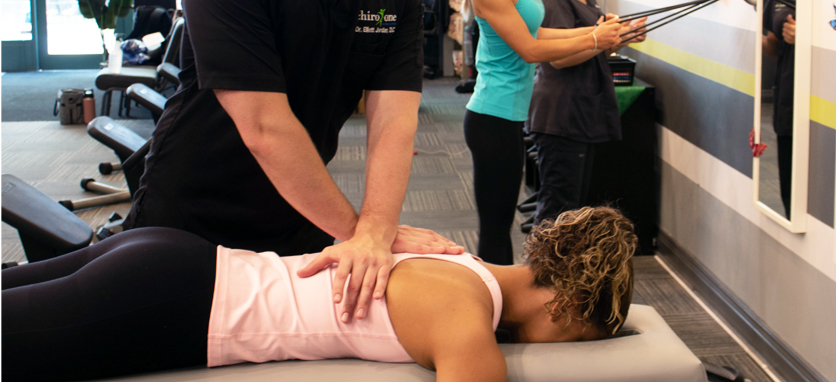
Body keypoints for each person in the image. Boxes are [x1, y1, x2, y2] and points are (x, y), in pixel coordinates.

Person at [122, 0, 463, 323]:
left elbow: (394, 123)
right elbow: (265, 127)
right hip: (190, 219)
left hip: (302, 220)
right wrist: (361, 232)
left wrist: (376, 228)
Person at [2, 206, 637, 382]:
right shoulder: (466, 321)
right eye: (581, 336)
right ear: (568, 306)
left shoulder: (454, 253)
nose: (566, 347)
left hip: (170, 256)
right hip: (171, 307)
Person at [457, 0, 622, 265]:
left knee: (501, 224)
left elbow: (537, 33)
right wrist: (596, 38)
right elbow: (531, 50)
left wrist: (597, 30)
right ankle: (496, 319)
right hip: (492, 117)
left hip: (509, 116)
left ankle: (505, 311)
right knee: (496, 228)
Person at [525, 0, 647, 226]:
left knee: (574, 208)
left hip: (582, 111)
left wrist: (623, 35)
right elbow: (560, 58)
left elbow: (594, 48)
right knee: (557, 211)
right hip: (561, 114)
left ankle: (559, 274)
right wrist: (599, 38)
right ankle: (539, 275)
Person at [762, 0, 796, 218]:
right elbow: (772, 45)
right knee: (790, 184)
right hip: (787, 97)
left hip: (824, 102)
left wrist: (808, 39)